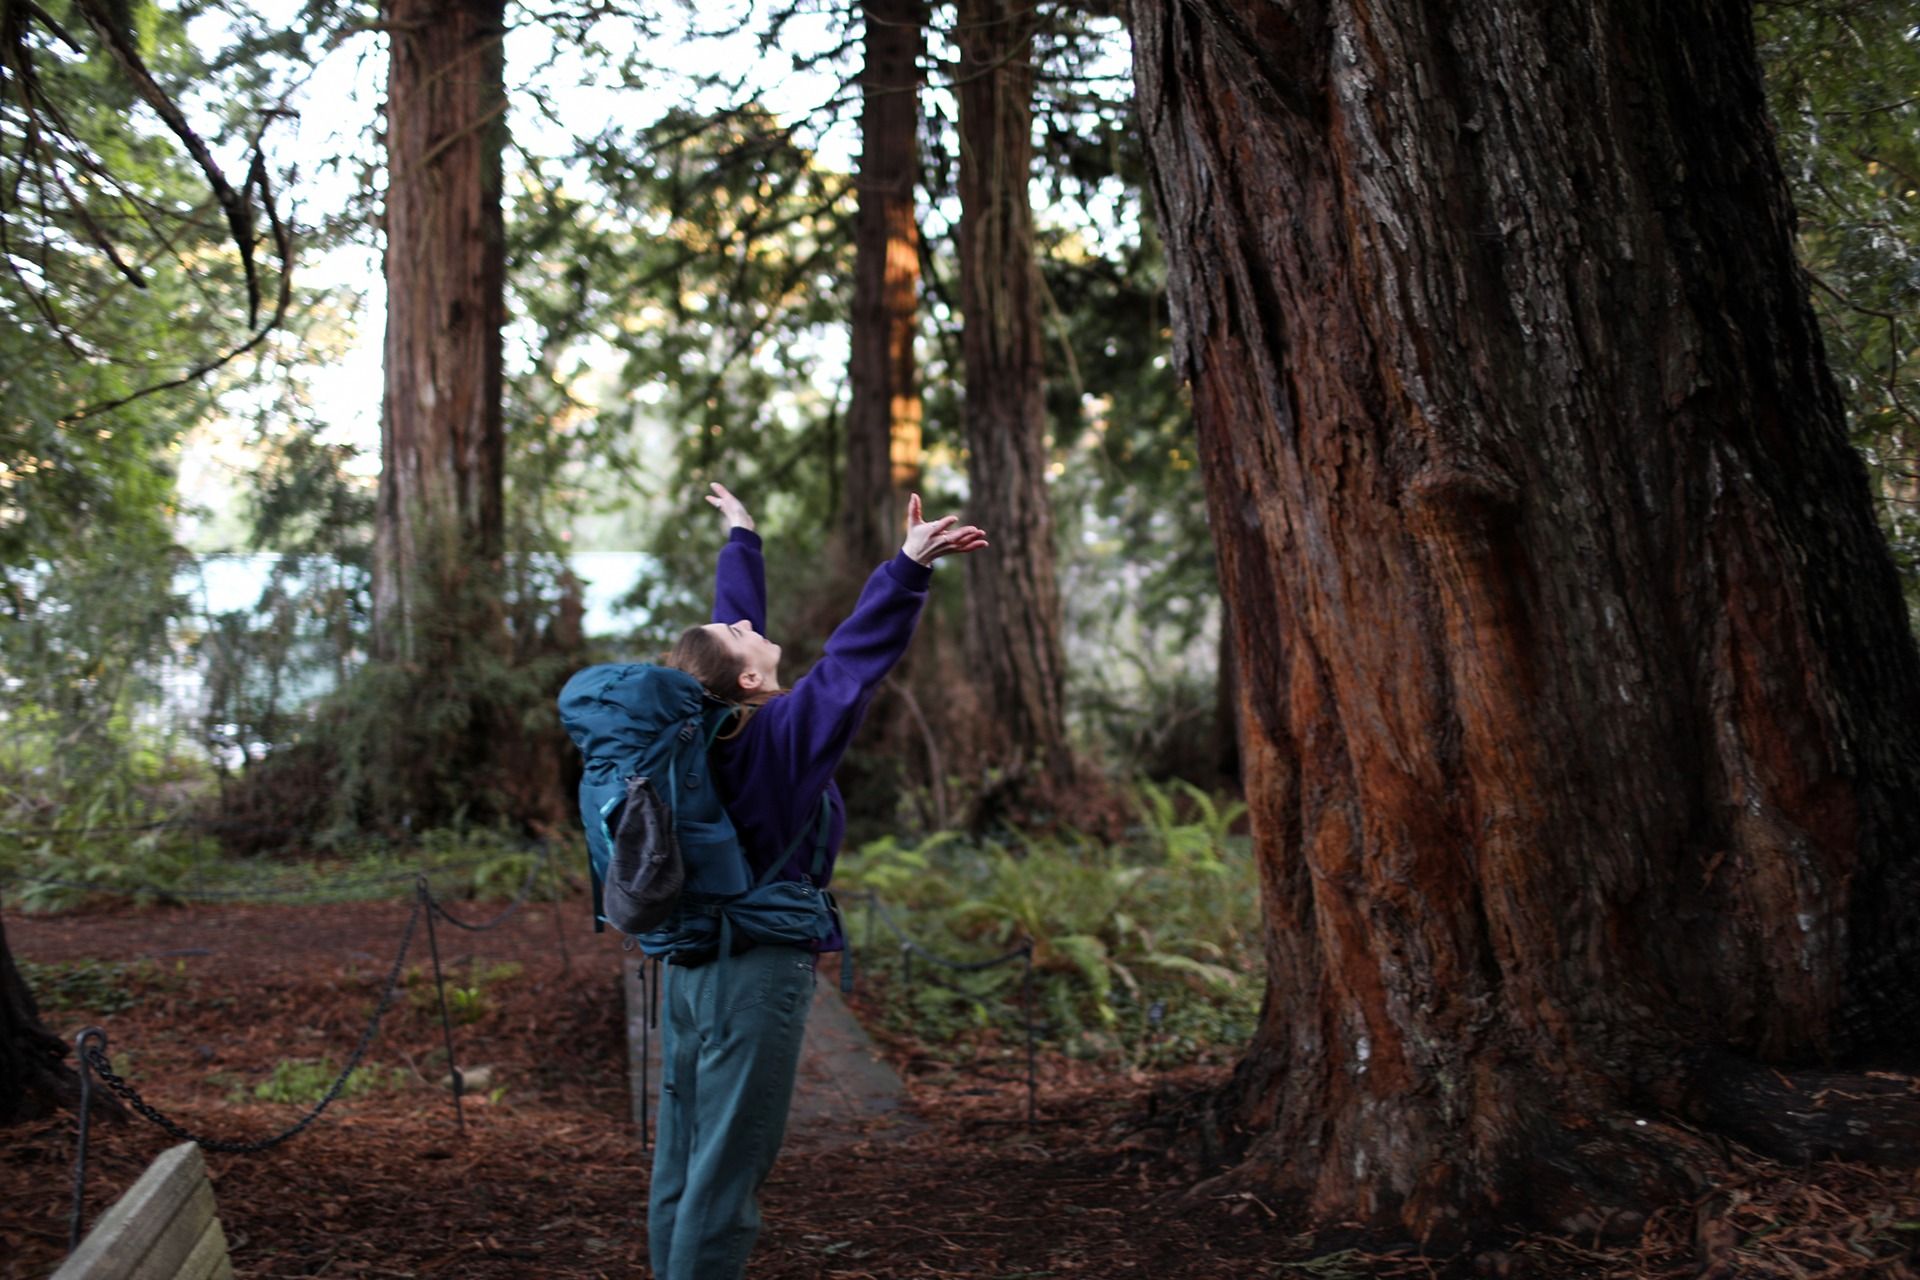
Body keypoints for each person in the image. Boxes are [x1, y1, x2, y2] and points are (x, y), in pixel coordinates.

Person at [646, 481, 988, 1280]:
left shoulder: (705, 736)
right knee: (726, 1172)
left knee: (684, 1158)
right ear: (748, 683)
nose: (747, 626)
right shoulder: (780, 741)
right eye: (740, 634)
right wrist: (906, 569)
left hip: (690, 972)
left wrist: (742, 540)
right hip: (753, 977)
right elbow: (851, 667)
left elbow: (729, 643)